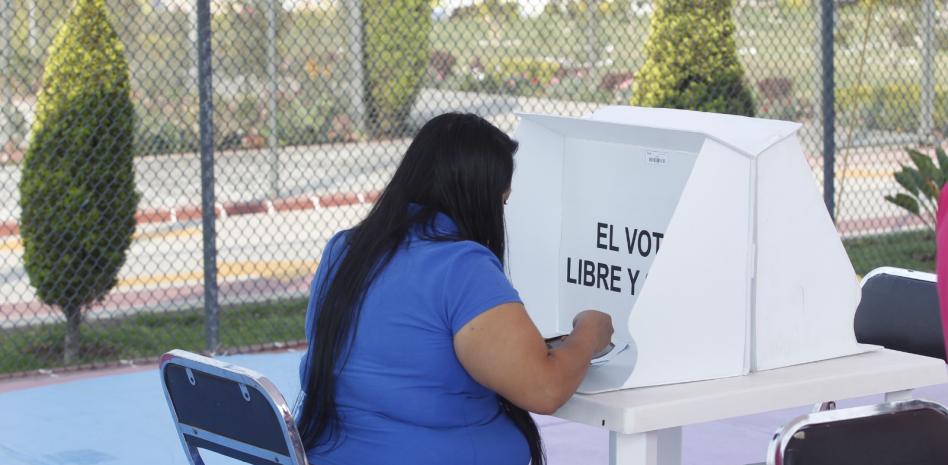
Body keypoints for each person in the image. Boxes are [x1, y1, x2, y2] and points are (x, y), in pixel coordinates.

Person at [296, 113, 614, 465]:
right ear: (479, 197)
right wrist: (589, 333)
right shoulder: (462, 266)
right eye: (502, 200)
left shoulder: (344, 249)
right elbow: (545, 388)